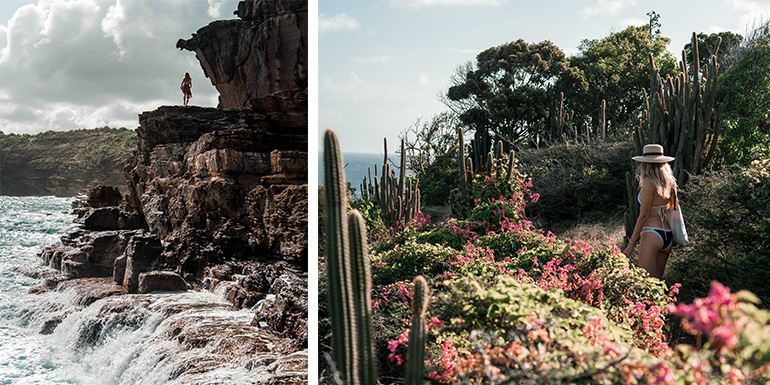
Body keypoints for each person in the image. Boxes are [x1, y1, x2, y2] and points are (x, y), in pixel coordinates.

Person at [623, 144, 678, 278]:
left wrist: (631, 244)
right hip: (667, 235)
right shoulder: (670, 182)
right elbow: (673, 207)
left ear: (645, 164)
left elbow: (643, 216)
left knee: (645, 283)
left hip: (652, 234)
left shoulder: (648, 182)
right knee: (657, 286)